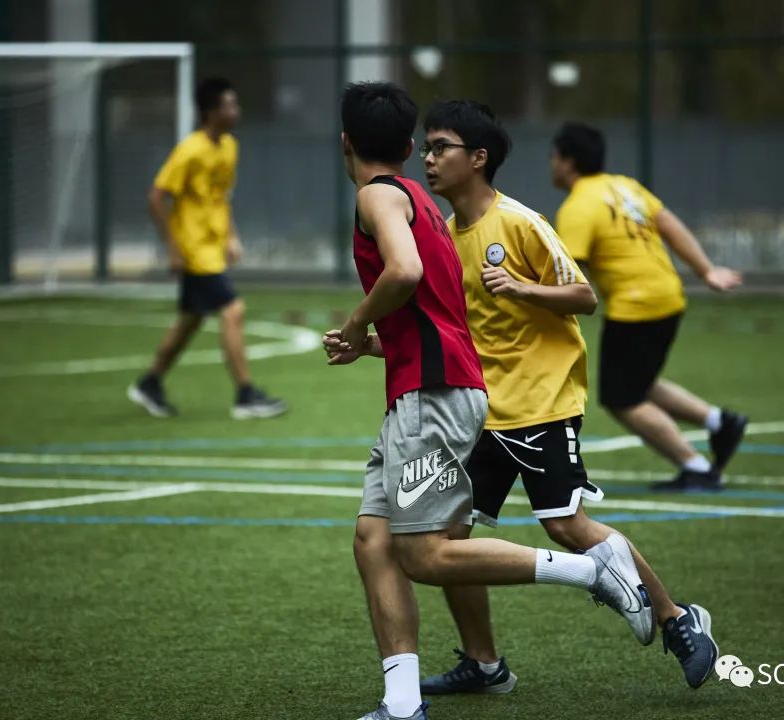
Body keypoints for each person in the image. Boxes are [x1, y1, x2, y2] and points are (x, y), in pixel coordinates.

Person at [324, 82, 654, 720]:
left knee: (425, 553)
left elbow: (404, 274)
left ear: (345, 142)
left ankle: (596, 573)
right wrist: (373, 343)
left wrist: (361, 322)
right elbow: (437, 314)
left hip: (433, 397)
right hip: (431, 388)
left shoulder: (378, 196)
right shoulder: (423, 202)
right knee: (374, 539)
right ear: (405, 143)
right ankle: (401, 703)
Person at [417, 99, 719, 695]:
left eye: (440, 147)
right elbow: (452, 323)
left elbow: (584, 296)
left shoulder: (521, 223)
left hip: (542, 400)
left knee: (565, 525)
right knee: (447, 540)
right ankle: (483, 664)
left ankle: (678, 620)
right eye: (425, 148)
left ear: (478, 159)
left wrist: (523, 287)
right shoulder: (447, 236)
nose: (427, 159)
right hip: (479, 409)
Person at [551, 123, 746, 492]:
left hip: (635, 306)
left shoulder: (577, 206)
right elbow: (668, 223)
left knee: (622, 399)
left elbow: (569, 276)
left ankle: (696, 466)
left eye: (554, 156)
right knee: (639, 381)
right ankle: (720, 421)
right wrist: (706, 271)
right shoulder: (626, 187)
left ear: (568, 161)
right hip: (668, 296)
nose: (552, 164)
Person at [127, 77, 286, 420]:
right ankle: (245, 394)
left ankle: (150, 382)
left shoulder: (229, 147)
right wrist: (172, 246)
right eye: (229, 105)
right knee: (233, 310)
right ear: (210, 112)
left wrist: (231, 235)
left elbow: (220, 197)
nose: (235, 111)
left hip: (212, 248)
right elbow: (156, 196)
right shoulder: (190, 150)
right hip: (194, 251)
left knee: (191, 319)